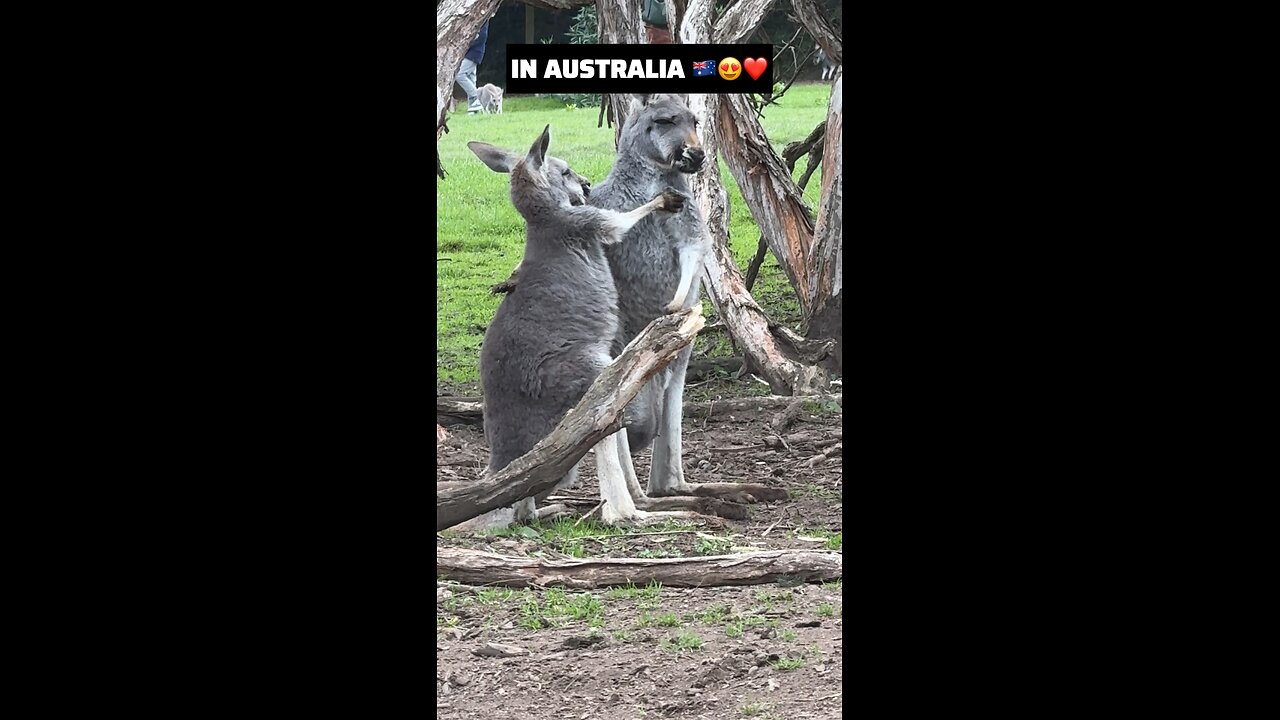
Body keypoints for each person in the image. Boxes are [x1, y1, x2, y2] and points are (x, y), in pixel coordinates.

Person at [454, 22, 490, 115]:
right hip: (470, 53)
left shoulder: (483, 23)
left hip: (473, 54)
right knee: (471, 78)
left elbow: (480, 38)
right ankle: (473, 109)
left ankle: (476, 98)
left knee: (460, 74)